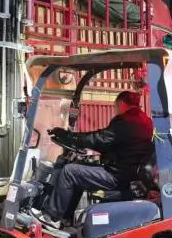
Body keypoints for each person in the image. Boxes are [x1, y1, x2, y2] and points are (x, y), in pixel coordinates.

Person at [39, 90, 155, 226]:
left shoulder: (126, 121)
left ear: (121, 104)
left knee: (69, 171)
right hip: (128, 172)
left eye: (115, 107)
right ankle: (66, 219)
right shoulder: (145, 121)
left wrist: (70, 136)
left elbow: (99, 139)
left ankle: (51, 217)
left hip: (116, 175)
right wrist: (79, 141)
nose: (115, 111)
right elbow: (114, 144)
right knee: (78, 172)